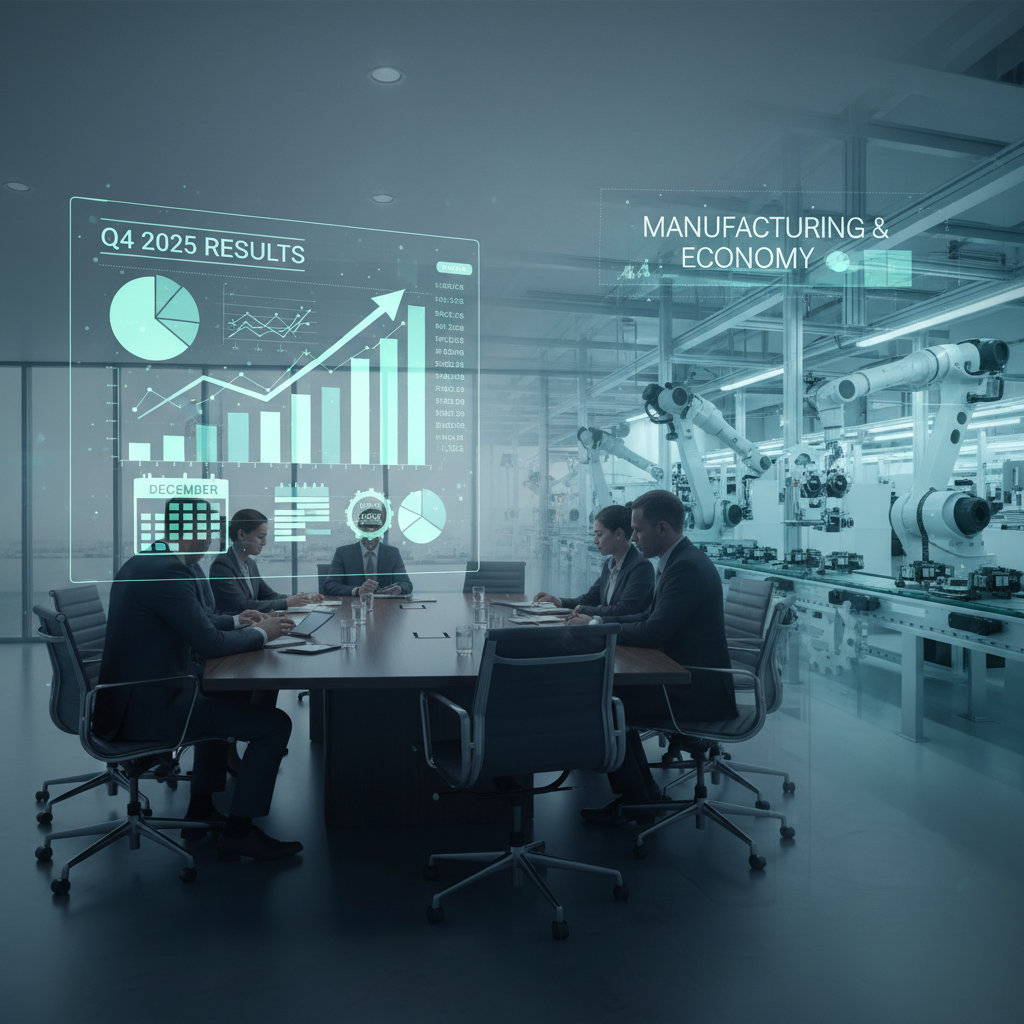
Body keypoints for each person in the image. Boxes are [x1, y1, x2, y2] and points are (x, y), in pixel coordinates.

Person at [95, 498, 304, 861]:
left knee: (222, 706)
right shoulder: (168, 573)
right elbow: (209, 643)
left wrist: (239, 621)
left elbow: (193, 620)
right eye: (208, 532)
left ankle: (201, 808)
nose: (211, 542)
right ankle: (239, 832)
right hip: (151, 705)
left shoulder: (148, 561)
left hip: (132, 696)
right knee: (274, 725)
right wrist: (265, 634)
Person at [567, 489, 735, 824]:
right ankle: (644, 797)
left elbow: (652, 632)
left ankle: (638, 803)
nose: (633, 537)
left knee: (607, 705)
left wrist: (597, 624)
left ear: (662, 529)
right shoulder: (676, 561)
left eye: (638, 530)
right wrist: (596, 622)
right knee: (612, 699)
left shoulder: (684, 568)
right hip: (684, 676)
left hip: (697, 689)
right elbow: (646, 618)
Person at [533, 504, 654, 617]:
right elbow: (590, 599)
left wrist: (582, 610)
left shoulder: (641, 567)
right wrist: (558, 601)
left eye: (599, 535)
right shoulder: (609, 564)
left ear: (618, 533)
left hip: (622, 637)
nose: (595, 541)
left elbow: (624, 610)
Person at [209, 509, 322, 615]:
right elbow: (242, 605)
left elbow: (268, 595)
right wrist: (287, 602)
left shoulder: (250, 564)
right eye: (260, 537)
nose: (264, 543)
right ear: (241, 535)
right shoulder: (222, 566)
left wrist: (302, 598)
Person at [321, 504, 413, 597]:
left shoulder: (392, 553)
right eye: (367, 528)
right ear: (360, 529)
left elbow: (406, 584)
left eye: (375, 528)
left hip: (386, 606)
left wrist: (399, 588)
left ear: (382, 530)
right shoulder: (343, 553)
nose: (371, 532)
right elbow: (329, 586)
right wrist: (357, 591)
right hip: (354, 606)